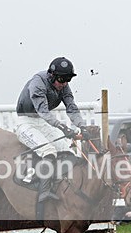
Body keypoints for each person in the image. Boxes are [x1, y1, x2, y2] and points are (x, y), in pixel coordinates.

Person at [15, 56, 86, 202]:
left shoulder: (64, 85)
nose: (64, 83)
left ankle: (60, 184)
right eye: (62, 80)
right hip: (26, 122)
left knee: (67, 151)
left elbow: (71, 107)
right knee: (49, 151)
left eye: (68, 80)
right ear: (51, 75)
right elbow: (43, 111)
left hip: (42, 122)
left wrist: (82, 126)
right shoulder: (38, 83)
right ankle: (44, 192)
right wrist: (63, 127)